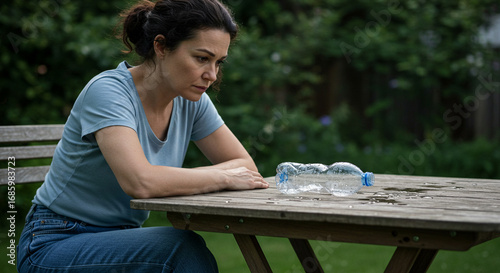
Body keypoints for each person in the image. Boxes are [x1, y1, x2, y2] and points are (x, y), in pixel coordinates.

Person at [17, 0, 269, 272]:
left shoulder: (191, 100)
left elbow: (245, 166)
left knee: (180, 247)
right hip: (54, 242)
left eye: (219, 62)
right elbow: (140, 182)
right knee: (179, 248)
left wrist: (225, 174)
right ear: (161, 46)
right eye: (202, 58)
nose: (211, 75)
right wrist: (222, 177)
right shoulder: (109, 93)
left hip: (119, 238)